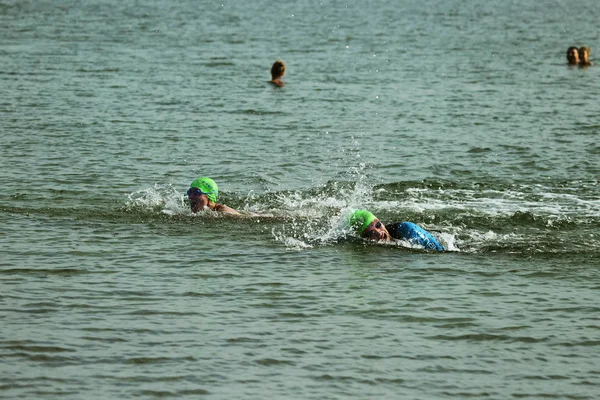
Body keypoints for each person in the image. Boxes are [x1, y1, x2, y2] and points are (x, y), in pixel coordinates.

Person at [349, 209, 444, 251]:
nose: (379, 232)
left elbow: (440, 252)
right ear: (364, 238)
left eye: (378, 225)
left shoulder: (408, 230)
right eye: (371, 233)